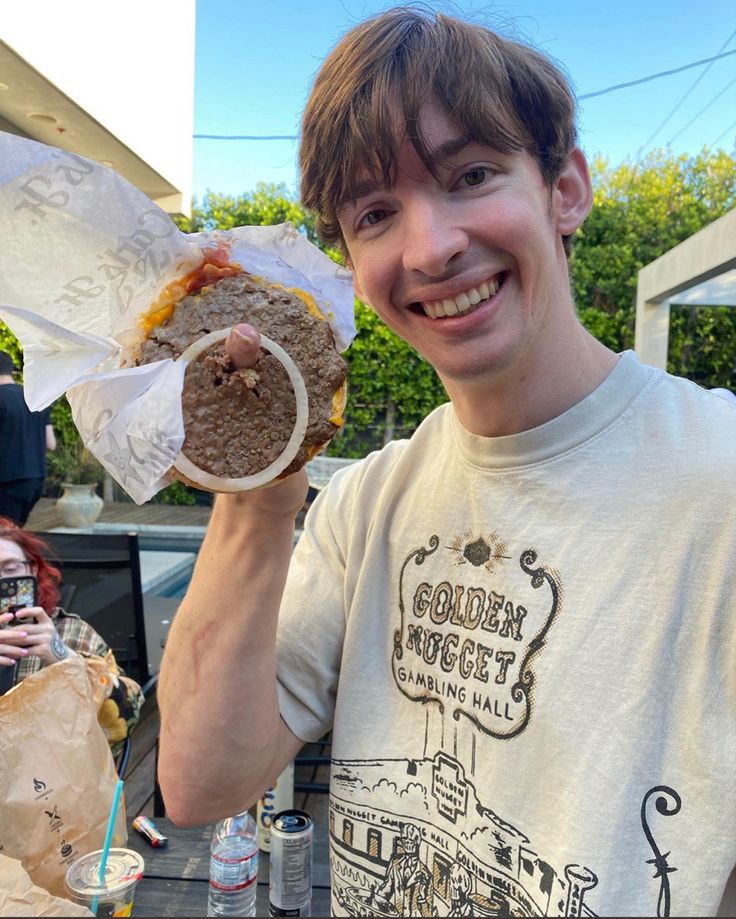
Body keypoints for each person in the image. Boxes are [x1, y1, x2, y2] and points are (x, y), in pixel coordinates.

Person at [157, 9, 736, 917]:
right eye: (377, 212)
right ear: (350, 261)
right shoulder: (366, 501)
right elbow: (199, 782)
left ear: (567, 188)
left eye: (471, 175)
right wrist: (261, 486)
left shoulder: (721, 482)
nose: (429, 249)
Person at [0, 517, 144, 755]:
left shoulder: (71, 633)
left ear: (32, 570)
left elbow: (127, 716)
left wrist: (63, 659)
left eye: (11, 568)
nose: (2, 581)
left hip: (52, 782)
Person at [0, 350, 56, 526]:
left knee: (6, 537)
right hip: (35, 481)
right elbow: (51, 444)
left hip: (6, 481)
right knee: (15, 532)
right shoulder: (35, 398)